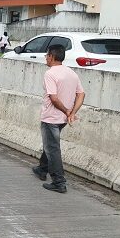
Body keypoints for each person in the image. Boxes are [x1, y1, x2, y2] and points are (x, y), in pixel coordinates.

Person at [32, 45, 85, 193]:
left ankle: (59, 182)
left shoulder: (50, 74)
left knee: (52, 148)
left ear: (52, 56)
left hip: (51, 118)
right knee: (51, 144)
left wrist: (68, 111)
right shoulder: (71, 73)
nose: (46, 58)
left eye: (47, 55)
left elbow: (53, 98)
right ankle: (42, 169)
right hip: (62, 119)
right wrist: (72, 113)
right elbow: (81, 94)